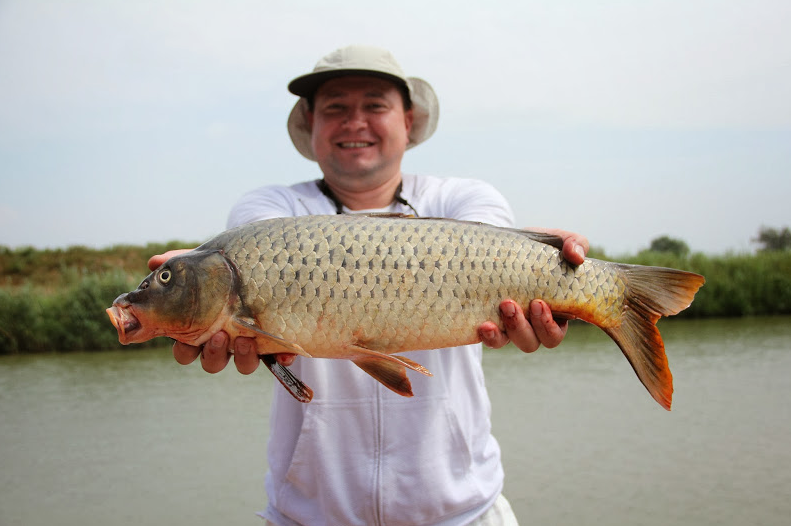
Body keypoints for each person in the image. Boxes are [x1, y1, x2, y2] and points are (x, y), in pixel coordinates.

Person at [150, 45, 588, 526]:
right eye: (335, 107)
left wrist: (551, 284)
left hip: (463, 513)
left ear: (408, 119)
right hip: (311, 516)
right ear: (311, 124)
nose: (354, 121)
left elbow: (496, 260)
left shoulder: (465, 199)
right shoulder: (265, 217)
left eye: (374, 105)